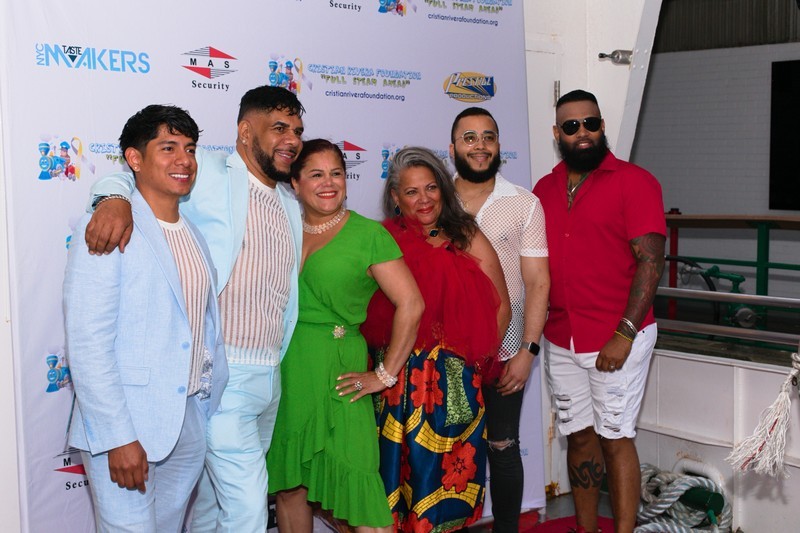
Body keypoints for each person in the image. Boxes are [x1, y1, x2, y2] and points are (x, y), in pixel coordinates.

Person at [83, 86, 305, 532]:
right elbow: (133, 174)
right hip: (223, 374)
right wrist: (111, 199)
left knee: (211, 505)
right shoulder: (209, 171)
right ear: (246, 132)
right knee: (247, 509)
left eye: (298, 130)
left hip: (269, 375)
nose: (292, 139)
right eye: (279, 128)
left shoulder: (288, 201)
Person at [63, 105, 229, 532]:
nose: (184, 160)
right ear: (134, 159)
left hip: (186, 421)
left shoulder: (193, 233)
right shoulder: (108, 225)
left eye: (189, 148)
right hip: (126, 428)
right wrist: (117, 436)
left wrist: (201, 413)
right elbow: (88, 341)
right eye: (168, 148)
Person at [267, 139, 424, 532]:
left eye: (337, 173)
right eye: (316, 174)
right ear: (295, 182)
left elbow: (411, 303)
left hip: (340, 371)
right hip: (288, 369)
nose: (329, 183)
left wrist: (384, 375)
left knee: (359, 489)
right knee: (289, 486)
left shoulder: (367, 234)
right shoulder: (281, 227)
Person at [533, 89, 666, 533]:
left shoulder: (635, 182)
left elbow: (651, 262)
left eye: (591, 123)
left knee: (615, 438)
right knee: (579, 436)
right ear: (557, 133)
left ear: (602, 126)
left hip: (617, 335)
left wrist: (624, 333)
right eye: (572, 126)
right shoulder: (544, 189)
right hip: (561, 335)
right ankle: (585, 529)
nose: (583, 133)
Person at [361, 146, 511, 531]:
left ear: (443, 188)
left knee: (445, 484)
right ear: (395, 197)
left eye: (431, 188)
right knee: (391, 482)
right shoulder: (381, 239)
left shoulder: (465, 234)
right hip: (394, 385)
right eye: (411, 192)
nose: (424, 199)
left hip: (453, 387)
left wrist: (473, 366)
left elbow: (502, 307)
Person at [450, 107, 550, 532]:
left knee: (503, 445)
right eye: (469, 137)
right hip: (444, 352)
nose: (480, 146)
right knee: (444, 449)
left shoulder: (524, 204)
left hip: (506, 350)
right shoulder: (434, 200)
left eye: (488, 137)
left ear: (498, 145)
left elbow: (538, 282)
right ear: (453, 147)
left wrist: (528, 351)